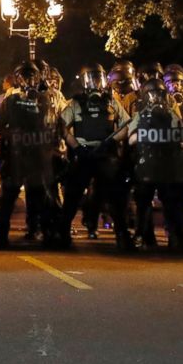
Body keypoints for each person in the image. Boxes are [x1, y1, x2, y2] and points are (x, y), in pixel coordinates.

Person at [58, 64, 133, 250]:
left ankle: (122, 236)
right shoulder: (75, 104)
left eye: (98, 78)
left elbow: (127, 125)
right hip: (83, 154)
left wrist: (112, 141)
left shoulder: (111, 102)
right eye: (91, 78)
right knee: (72, 196)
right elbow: (61, 127)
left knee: (115, 196)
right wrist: (75, 147)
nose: (95, 82)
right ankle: (63, 234)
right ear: (83, 81)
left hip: (105, 154)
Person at [0, 61, 61, 249]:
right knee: (8, 197)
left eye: (33, 76)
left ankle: (43, 231)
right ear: (17, 80)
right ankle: (1, 233)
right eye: (25, 76)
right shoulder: (10, 101)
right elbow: (0, 127)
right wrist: (14, 135)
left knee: (39, 196)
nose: (29, 80)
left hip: (38, 155)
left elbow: (52, 124)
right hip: (17, 155)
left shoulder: (45, 99)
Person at [127, 78, 183, 251]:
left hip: (167, 163)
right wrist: (145, 135)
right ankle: (141, 236)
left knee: (172, 200)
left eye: (160, 94)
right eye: (152, 94)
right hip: (147, 162)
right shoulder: (140, 115)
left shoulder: (171, 113)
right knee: (143, 200)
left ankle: (178, 237)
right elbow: (131, 138)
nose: (156, 97)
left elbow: (182, 137)